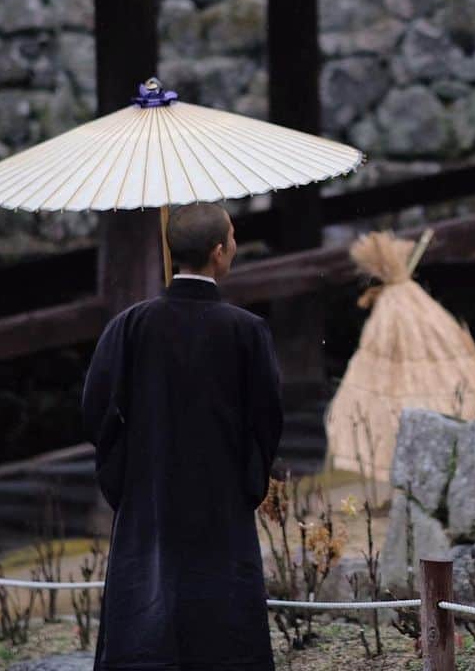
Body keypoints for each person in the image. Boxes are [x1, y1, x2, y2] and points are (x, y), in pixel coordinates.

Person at [82, 202, 283, 671]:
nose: (234, 245)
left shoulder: (130, 326)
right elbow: (267, 418)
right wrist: (247, 482)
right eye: (232, 237)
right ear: (218, 251)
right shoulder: (247, 330)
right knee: (224, 627)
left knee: (145, 622)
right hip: (221, 501)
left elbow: (96, 412)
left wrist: (126, 479)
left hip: (148, 497)